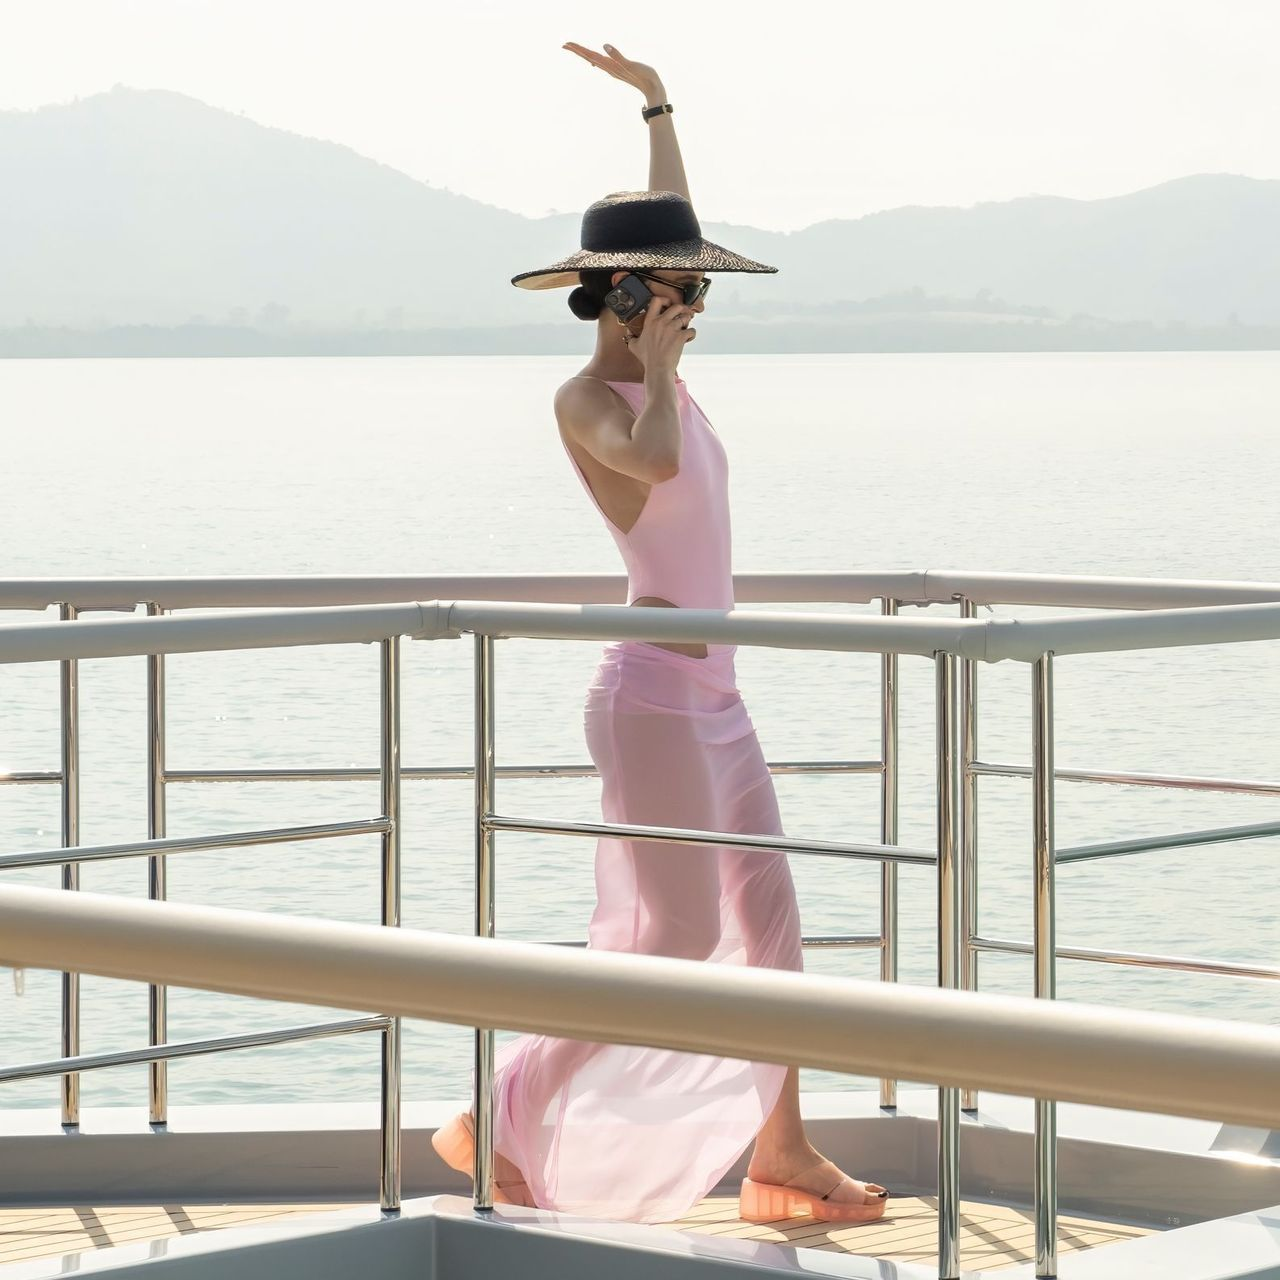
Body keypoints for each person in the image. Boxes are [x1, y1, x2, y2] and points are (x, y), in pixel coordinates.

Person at [432, 41, 889, 1227]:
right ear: (627, 296)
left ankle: (781, 1151)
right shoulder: (593, 398)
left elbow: (669, 220)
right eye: (677, 291)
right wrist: (655, 365)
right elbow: (651, 469)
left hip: (718, 698)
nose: (695, 306)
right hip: (647, 700)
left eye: (695, 291)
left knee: (772, 933)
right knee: (675, 939)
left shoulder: (663, 370)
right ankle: (494, 1112)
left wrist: (656, 104)